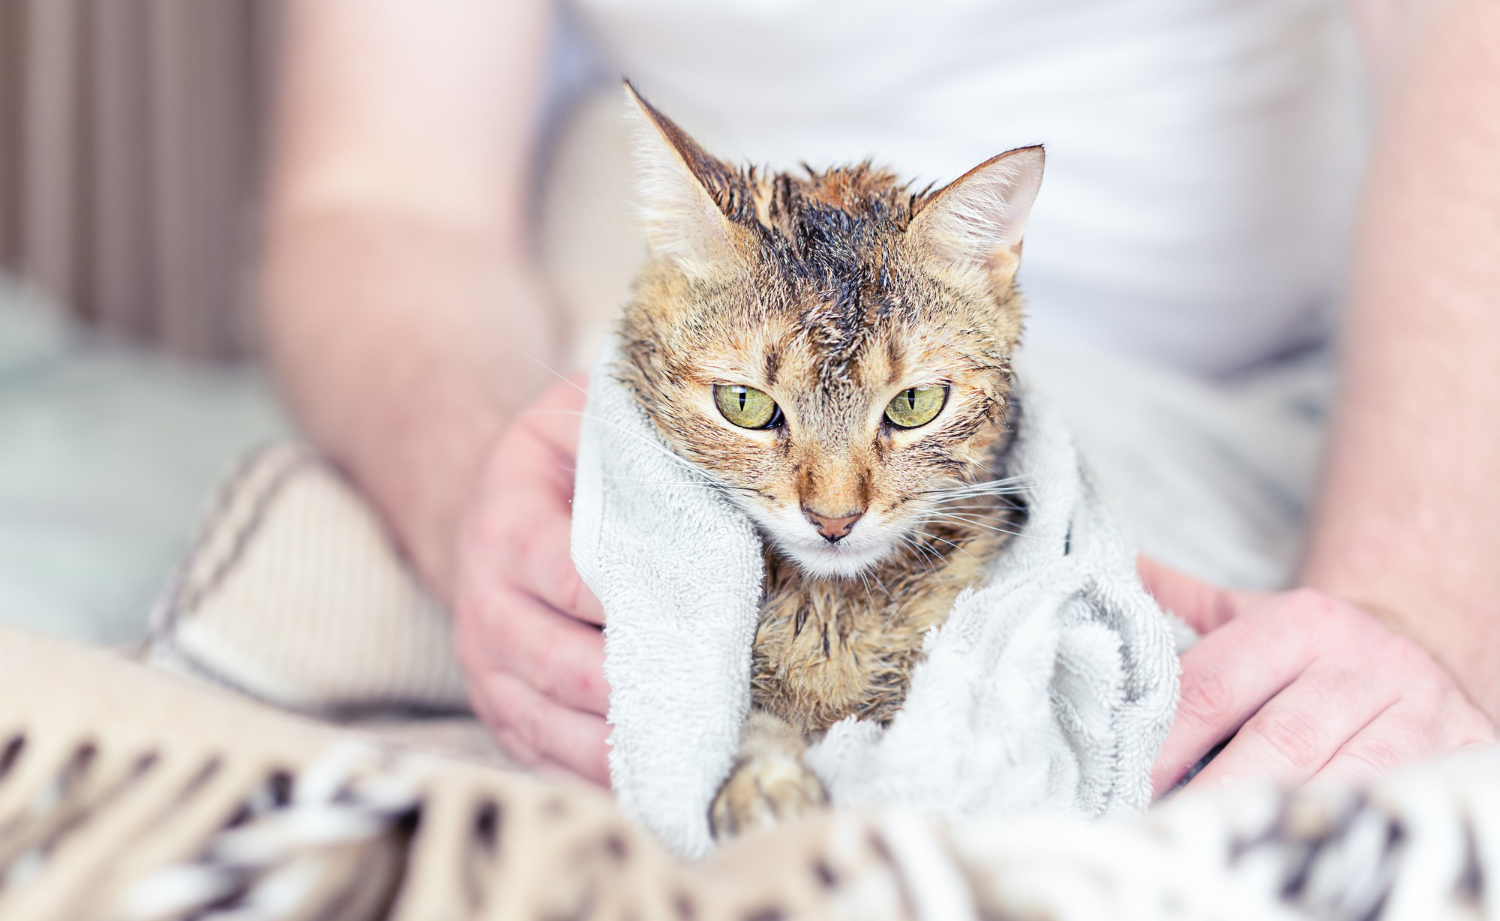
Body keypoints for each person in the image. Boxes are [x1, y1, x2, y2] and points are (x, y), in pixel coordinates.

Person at [259, 0, 1499, 792]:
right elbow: (378, 204)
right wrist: (482, 499)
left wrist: (1411, 607)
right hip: (702, 343)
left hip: (1309, 398)